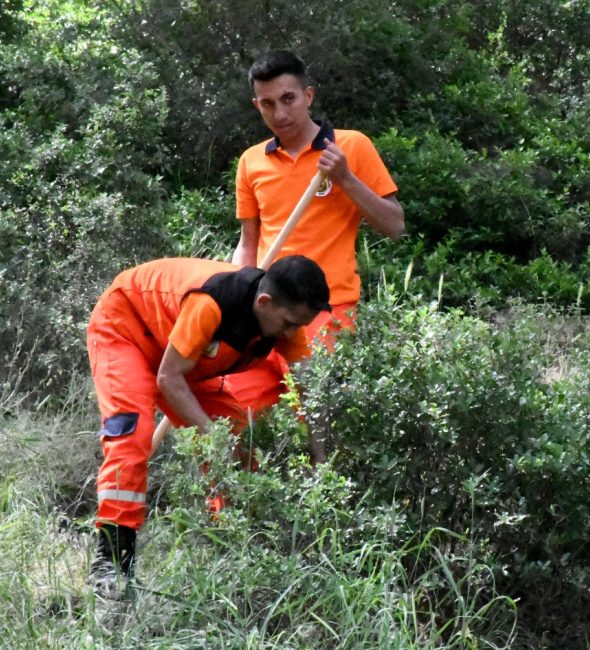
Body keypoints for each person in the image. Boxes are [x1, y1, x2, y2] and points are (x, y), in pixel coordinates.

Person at [85, 255, 330, 599]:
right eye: (289, 323)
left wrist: (321, 461)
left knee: (240, 439)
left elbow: (312, 391)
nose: (293, 333)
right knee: (132, 436)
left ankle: (231, 546)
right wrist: (214, 438)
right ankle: (111, 561)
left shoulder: (282, 316)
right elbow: (169, 378)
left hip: (179, 358)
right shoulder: (212, 304)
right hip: (127, 330)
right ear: (265, 302)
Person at [224, 50, 404, 458]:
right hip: (264, 310)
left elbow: (394, 225)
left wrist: (344, 178)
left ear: (308, 95)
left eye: (287, 98)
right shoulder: (252, 161)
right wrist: (234, 298)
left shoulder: (350, 147)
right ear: (257, 106)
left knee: (320, 422)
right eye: (267, 103)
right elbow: (249, 242)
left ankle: (326, 509)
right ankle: (234, 517)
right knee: (234, 414)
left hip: (326, 309)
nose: (279, 112)